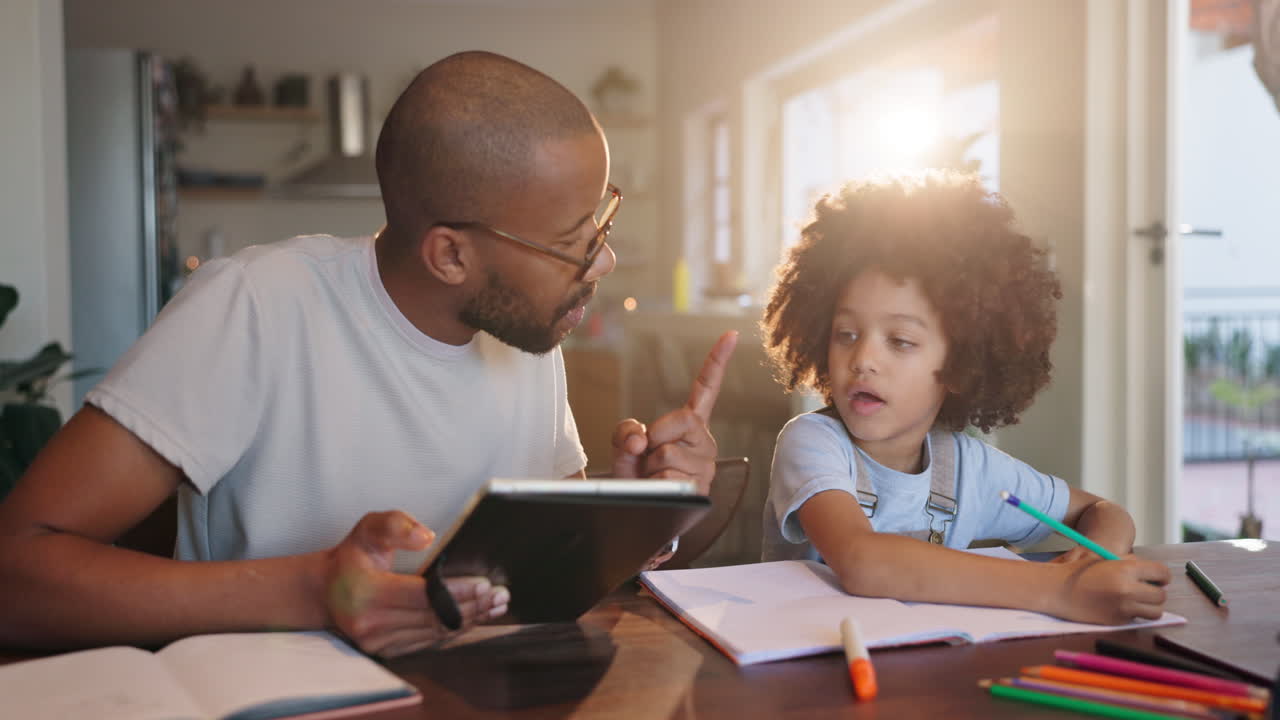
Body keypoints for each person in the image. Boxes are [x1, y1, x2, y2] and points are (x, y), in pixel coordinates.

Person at [0, 50, 737, 658]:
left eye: (601, 222)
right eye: (576, 244)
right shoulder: (257, 306)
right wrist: (311, 590)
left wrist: (640, 505)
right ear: (451, 255)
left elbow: (542, 565)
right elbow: (16, 573)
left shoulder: (525, 325)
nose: (602, 265)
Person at [759, 172, 1169, 626]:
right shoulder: (813, 443)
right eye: (846, 334)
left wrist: (1096, 561)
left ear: (962, 362)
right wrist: (1061, 591)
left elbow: (1103, 512)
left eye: (900, 340)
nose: (863, 359)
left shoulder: (970, 469)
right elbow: (863, 561)